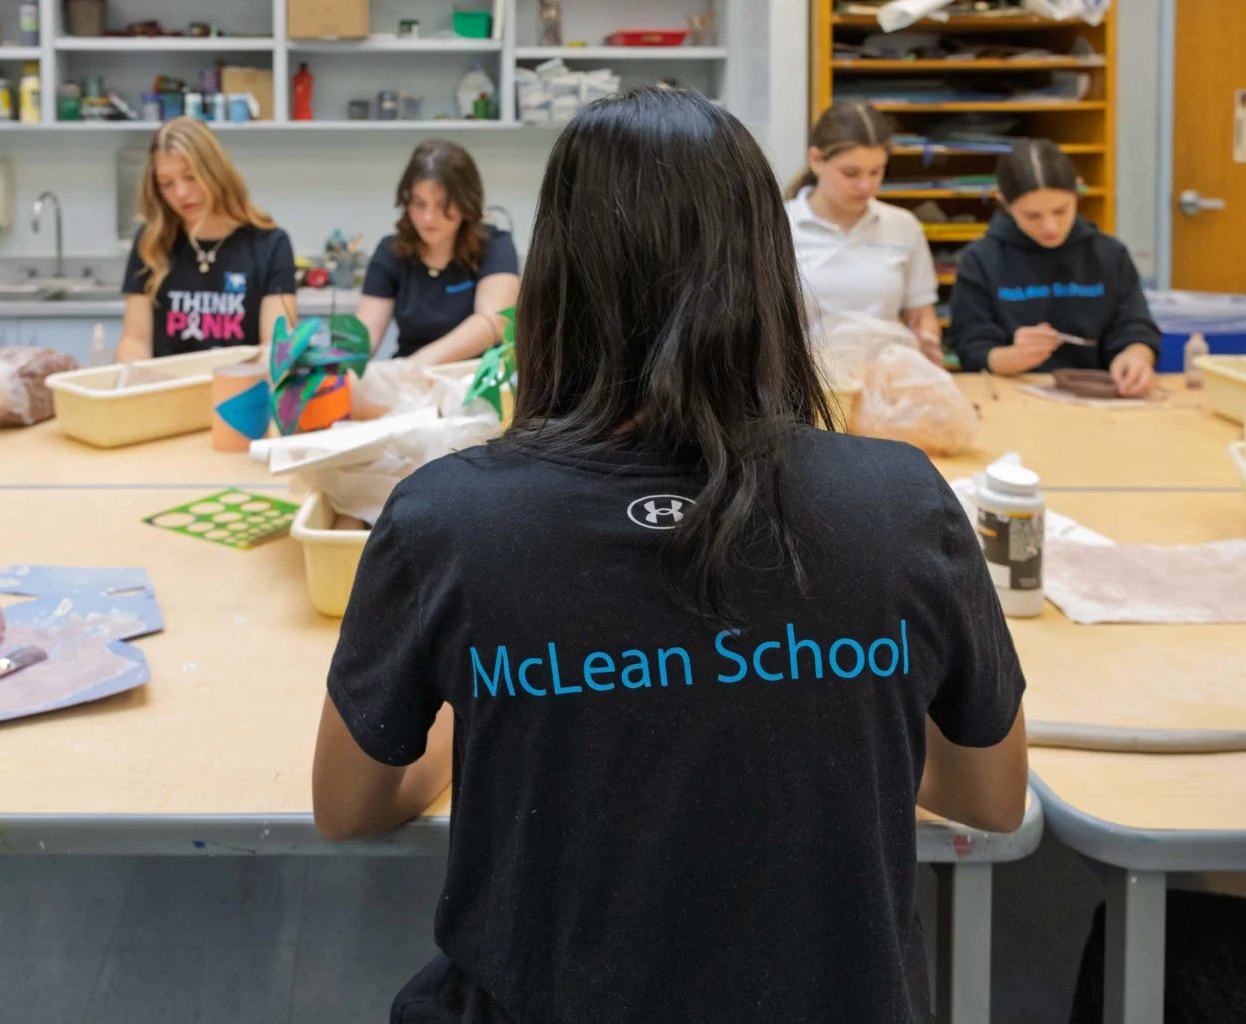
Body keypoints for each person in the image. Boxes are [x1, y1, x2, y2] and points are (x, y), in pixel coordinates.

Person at [313, 88, 1028, 1024]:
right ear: (768, 266)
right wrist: (825, 701)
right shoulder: (897, 503)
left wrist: (485, 712)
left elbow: (347, 806)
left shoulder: (449, 520)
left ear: (557, 277)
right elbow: (991, 796)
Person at [951, 139, 1160, 396]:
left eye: (1061, 210)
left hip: (1100, 398)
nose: (1050, 227)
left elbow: (1135, 327)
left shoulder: (1109, 254)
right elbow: (971, 349)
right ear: (1003, 202)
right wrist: (1014, 356)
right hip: (1012, 398)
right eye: (1033, 216)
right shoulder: (981, 259)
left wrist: (1136, 356)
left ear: (1078, 191)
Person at [117, 118, 296, 362]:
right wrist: (131, 371)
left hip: (241, 394)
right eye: (166, 184)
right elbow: (135, 340)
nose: (180, 193)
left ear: (216, 173)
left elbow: (276, 347)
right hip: (168, 393)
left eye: (190, 177)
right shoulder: (150, 242)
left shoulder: (270, 245)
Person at [785, 101, 943, 365]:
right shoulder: (780, 225)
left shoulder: (903, 226)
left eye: (876, 171)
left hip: (885, 378)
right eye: (850, 173)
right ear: (816, 160)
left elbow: (921, 314)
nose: (865, 185)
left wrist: (927, 337)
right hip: (804, 380)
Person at [356, 140, 521, 365]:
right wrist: (335, 360)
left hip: (475, 383)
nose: (428, 218)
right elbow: (364, 337)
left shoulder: (495, 245)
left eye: (443, 205)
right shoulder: (390, 251)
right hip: (409, 386)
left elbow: (495, 322)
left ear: (467, 202)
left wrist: (412, 367)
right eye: (419, 203)